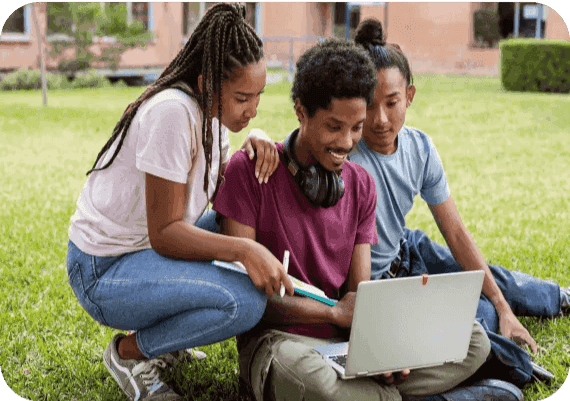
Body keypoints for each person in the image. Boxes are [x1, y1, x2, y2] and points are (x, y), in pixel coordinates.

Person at [212, 38, 501, 401]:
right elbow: (247, 296)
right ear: (301, 111)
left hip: (345, 346)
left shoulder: (362, 184)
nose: (347, 143)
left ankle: (372, 392)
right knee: (316, 383)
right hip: (281, 342)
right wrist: (333, 314)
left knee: (472, 339)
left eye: (356, 128)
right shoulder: (250, 171)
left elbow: (360, 296)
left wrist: (382, 348)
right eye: (334, 127)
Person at [65, 3, 293, 401]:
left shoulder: (211, 118)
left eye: (258, 96)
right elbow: (166, 235)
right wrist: (245, 249)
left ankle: (169, 338)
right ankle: (129, 354)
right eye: (243, 98)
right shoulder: (172, 112)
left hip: (141, 254)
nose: (252, 108)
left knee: (236, 223)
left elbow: (219, 191)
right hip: (103, 271)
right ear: (207, 84)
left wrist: (251, 137)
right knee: (243, 301)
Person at [349, 18, 570, 387]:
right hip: (380, 280)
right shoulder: (346, 153)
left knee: (484, 279)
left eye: (391, 103)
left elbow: (454, 230)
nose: (381, 119)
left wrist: (503, 306)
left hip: (407, 249)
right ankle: (515, 365)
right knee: (476, 314)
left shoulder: (419, 148)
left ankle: (557, 298)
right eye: (370, 106)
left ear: (410, 97)